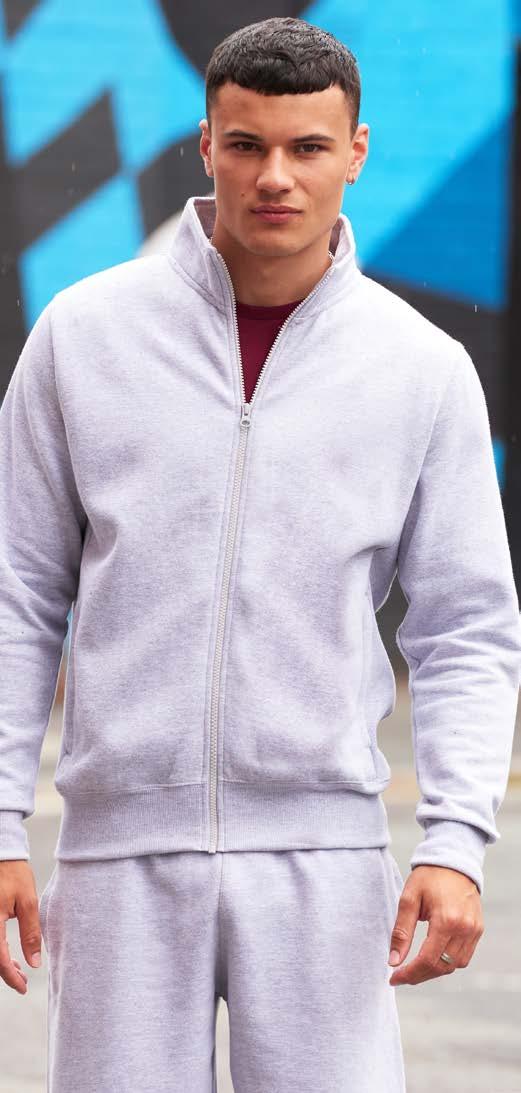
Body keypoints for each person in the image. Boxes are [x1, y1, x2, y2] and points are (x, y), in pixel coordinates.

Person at [0, 15, 520, 1093]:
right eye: (245, 144)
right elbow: (17, 594)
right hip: (118, 856)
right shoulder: (83, 338)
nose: (274, 176)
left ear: (355, 152)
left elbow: (466, 625)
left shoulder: (419, 369)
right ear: (206, 145)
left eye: (306, 147)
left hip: (325, 861)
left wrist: (453, 842)